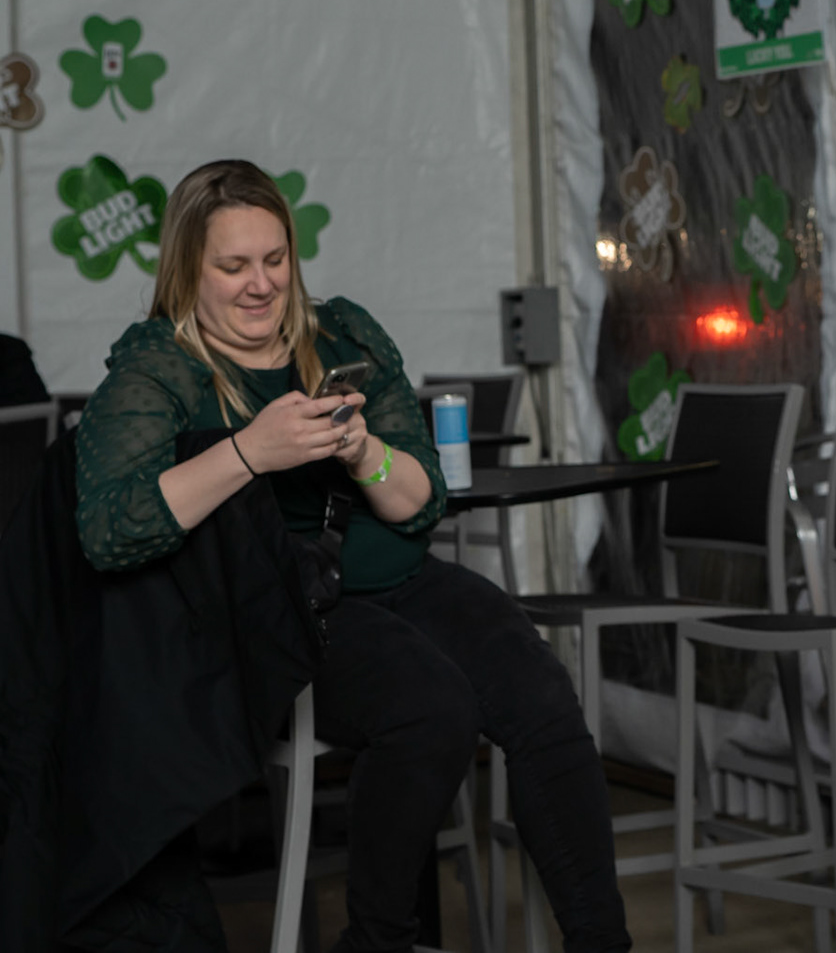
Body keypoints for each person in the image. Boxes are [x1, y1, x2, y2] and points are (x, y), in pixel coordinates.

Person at [75, 159, 630, 953]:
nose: (261, 284)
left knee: (542, 697)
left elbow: (420, 500)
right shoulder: (161, 367)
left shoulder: (338, 333)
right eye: (233, 266)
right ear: (188, 269)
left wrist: (363, 449)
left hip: (398, 577)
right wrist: (251, 450)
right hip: (275, 610)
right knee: (430, 709)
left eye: (275, 259)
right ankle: (377, 941)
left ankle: (603, 944)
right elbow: (109, 528)